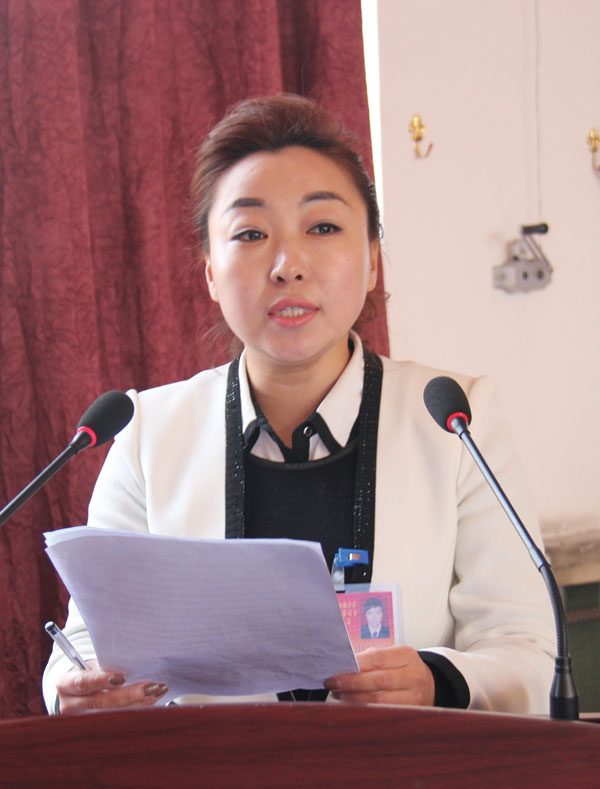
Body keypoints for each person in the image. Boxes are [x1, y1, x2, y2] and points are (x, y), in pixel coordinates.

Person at [43, 94, 555, 715]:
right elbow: (82, 646)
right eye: (251, 234)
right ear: (211, 273)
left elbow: (530, 652)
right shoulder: (148, 435)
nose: (288, 266)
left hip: (404, 764)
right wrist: (78, 692)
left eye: (323, 227)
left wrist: (438, 680)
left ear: (372, 260)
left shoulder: (453, 420)